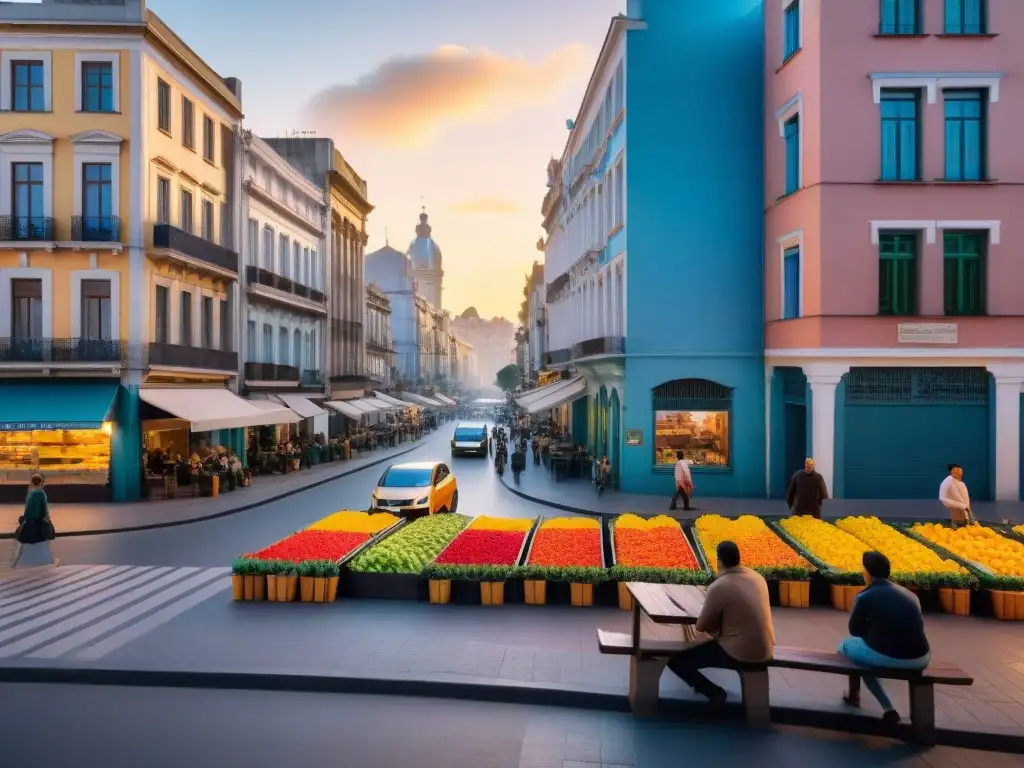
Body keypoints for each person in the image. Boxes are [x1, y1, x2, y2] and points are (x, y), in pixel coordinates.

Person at [667, 541, 774, 713]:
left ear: (719, 561)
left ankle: (714, 693)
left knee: (675, 660)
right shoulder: (757, 577)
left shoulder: (720, 585)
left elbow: (701, 626)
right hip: (767, 649)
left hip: (739, 653)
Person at [837, 551, 931, 725]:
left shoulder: (864, 596)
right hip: (921, 658)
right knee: (866, 653)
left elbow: (854, 630)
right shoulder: (910, 595)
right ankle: (878, 703)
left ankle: (883, 706)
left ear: (867, 572)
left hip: (888, 657)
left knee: (846, 648)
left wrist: (871, 630)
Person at [10, 474, 57, 568]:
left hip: (29, 523)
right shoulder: (41, 493)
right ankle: (43, 563)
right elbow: (44, 510)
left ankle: (20, 563)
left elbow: (27, 510)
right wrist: (48, 520)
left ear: (32, 482)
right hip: (38, 523)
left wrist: (25, 520)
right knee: (42, 544)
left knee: (25, 545)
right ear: (41, 483)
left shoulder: (30, 494)